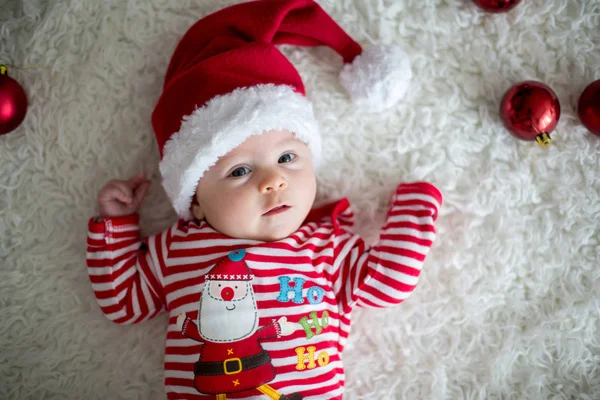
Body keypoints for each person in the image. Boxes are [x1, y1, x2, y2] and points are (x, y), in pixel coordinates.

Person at [86, 1, 442, 399]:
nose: (273, 180)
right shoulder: (178, 247)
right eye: (239, 171)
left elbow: (386, 284)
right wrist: (116, 225)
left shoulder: (324, 247)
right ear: (196, 201)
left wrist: (415, 209)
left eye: (287, 158)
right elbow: (124, 303)